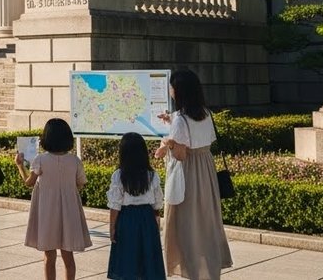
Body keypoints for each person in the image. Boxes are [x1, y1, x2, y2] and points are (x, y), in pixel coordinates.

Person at [154, 69, 232, 280]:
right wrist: (171, 122)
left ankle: (195, 273)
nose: (170, 90)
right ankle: (211, 270)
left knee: (187, 227)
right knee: (206, 224)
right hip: (206, 172)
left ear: (180, 91)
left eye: (172, 87)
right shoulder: (206, 113)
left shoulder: (181, 119)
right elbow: (197, 136)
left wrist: (167, 143)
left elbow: (180, 154)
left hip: (188, 176)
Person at [14, 118, 92, 280]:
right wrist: (68, 192)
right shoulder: (74, 160)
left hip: (47, 211)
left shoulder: (41, 160)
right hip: (69, 212)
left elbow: (29, 182)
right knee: (68, 256)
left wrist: (20, 165)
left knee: (49, 256)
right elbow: (80, 183)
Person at [106, 133, 166, 280]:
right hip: (147, 218)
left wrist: (112, 227)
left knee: (127, 258)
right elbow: (157, 203)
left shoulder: (119, 175)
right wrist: (156, 220)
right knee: (147, 259)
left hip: (126, 219)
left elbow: (115, 205)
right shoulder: (152, 175)